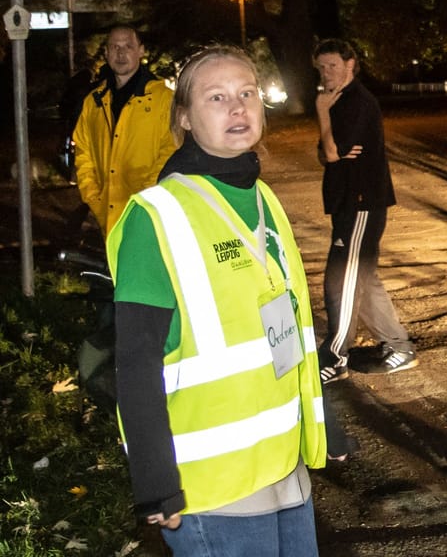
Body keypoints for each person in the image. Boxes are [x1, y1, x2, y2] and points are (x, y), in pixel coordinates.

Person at [110, 46, 326, 555]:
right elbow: (136, 359)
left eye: (247, 93)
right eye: (217, 97)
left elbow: (290, 327)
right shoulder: (156, 216)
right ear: (184, 118)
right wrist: (154, 478)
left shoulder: (263, 197)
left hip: (284, 468)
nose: (238, 107)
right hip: (212, 490)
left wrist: (325, 428)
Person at [313, 39, 417, 384]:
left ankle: (336, 357)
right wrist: (332, 143)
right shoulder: (338, 101)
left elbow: (331, 152)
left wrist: (322, 114)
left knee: (341, 280)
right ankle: (398, 347)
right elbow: (326, 152)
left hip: (362, 205)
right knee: (364, 278)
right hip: (348, 204)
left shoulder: (356, 102)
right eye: (322, 66)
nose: (327, 72)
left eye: (333, 65)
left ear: (350, 64)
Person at [72, 26, 179, 236]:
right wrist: (93, 197)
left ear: (141, 51)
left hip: (152, 215)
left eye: (128, 46)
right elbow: (83, 153)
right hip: (109, 220)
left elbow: (172, 149)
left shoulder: (163, 100)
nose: (121, 53)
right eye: (115, 47)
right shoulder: (93, 102)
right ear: (106, 53)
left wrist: (145, 197)